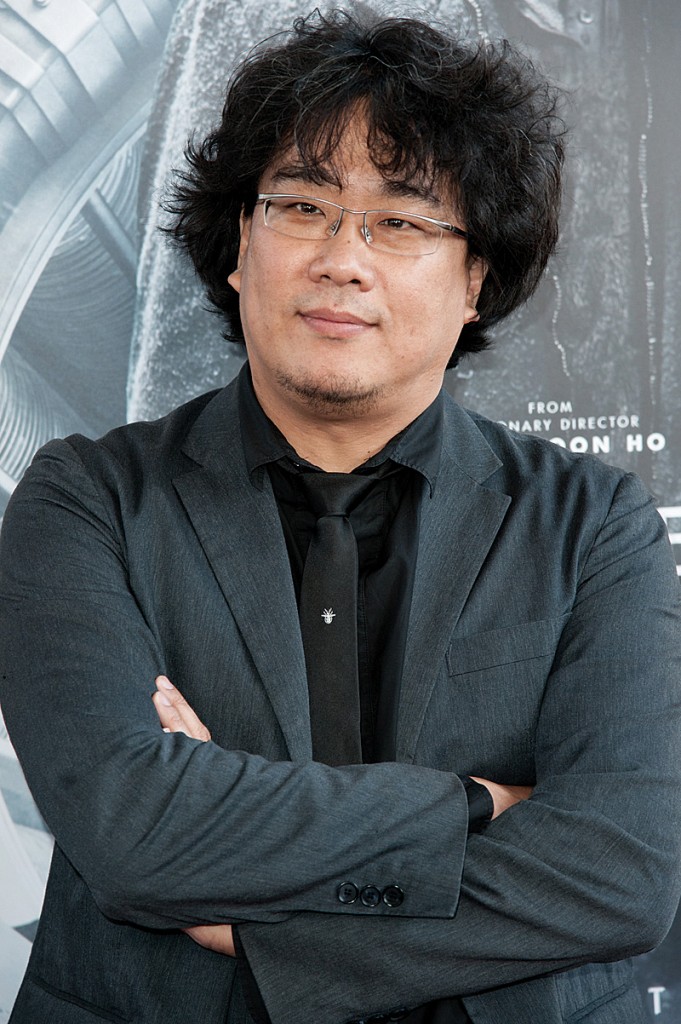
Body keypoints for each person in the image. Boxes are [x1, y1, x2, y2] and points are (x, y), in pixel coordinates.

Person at [1, 8, 680, 1024]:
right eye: (302, 206)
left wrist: (269, 924)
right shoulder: (86, 501)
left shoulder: (593, 525)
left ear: (475, 283)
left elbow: (621, 868)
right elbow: (132, 830)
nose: (341, 257)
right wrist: (477, 803)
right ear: (238, 247)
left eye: (401, 221)